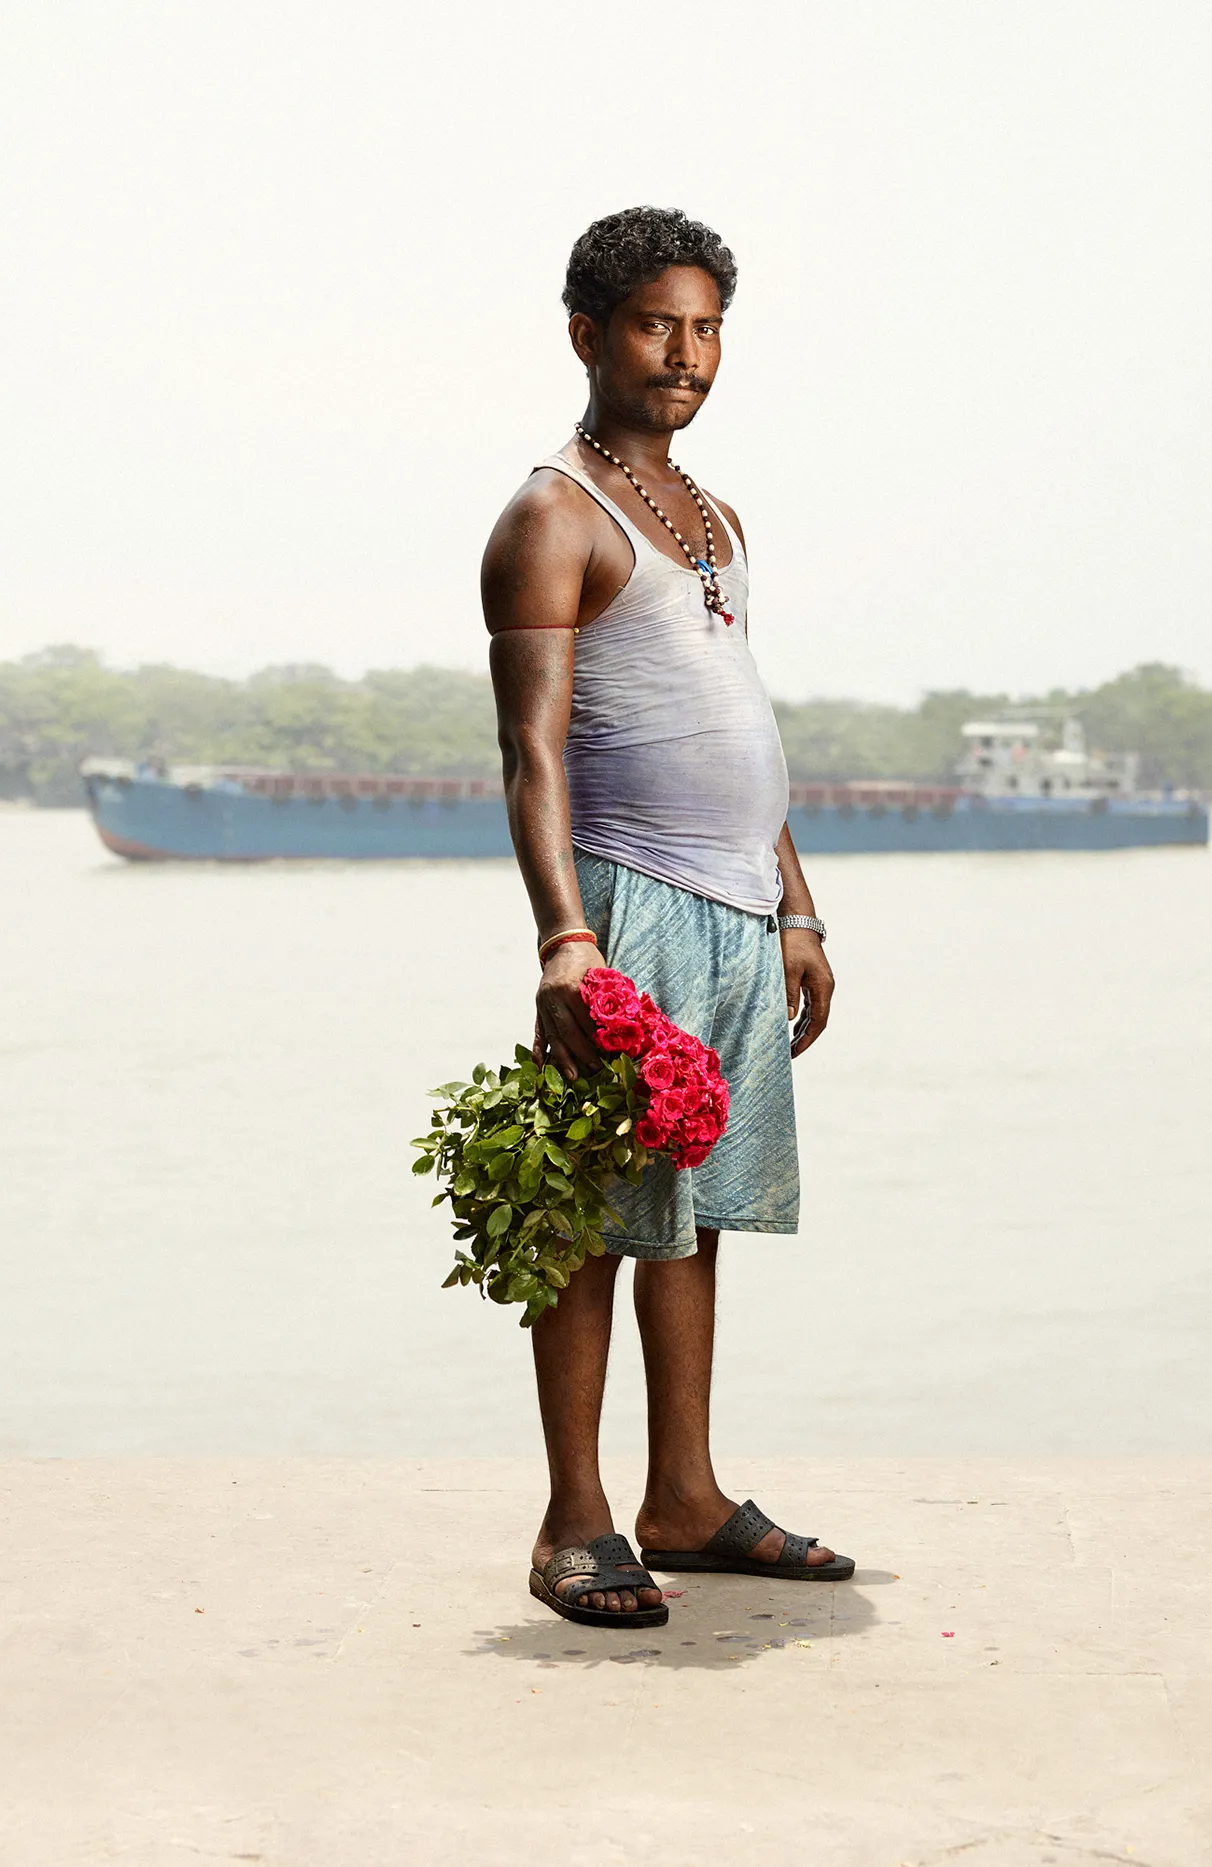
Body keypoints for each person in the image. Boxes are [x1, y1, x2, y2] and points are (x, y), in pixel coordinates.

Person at [482, 206, 852, 1629]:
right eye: (656, 325)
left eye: (706, 329)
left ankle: (682, 1495)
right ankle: (575, 1517)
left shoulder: (719, 520)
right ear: (587, 332)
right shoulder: (550, 516)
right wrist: (565, 941)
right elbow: (534, 753)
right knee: (586, 1213)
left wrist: (798, 907)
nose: (686, 355)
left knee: (689, 1216)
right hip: (626, 902)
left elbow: (736, 725)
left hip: (739, 909)